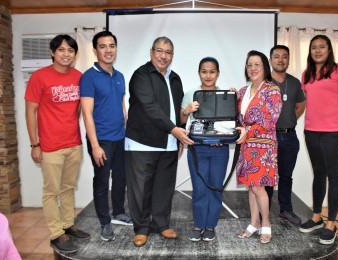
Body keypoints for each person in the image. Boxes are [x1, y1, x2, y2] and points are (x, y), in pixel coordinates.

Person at [125, 36, 194, 247]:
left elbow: (176, 111)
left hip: (169, 143)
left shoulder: (175, 78)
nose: (164, 56)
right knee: (140, 189)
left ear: (172, 56)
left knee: (164, 187)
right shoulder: (141, 75)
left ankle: (162, 224)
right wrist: (175, 130)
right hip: (142, 143)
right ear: (151, 52)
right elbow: (150, 107)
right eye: (160, 51)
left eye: (168, 52)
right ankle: (141, 228)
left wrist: (179, 136)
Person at [25, 34, 90, 253]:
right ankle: (56, 233)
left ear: (75, 54)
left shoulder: (79, 77)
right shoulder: (39, 77)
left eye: (70, 50)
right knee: (51, 191)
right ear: (52, 52)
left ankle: (68, 224)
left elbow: (80, 109)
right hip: (50, 146)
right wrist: (35, 144)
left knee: (69, 188)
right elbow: (30, 111)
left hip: (73, 143)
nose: (66, 54)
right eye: (61, 50)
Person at [298, 35, 338, 245]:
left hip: (334, 133)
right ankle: (316, 216)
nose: (318, 51)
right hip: (311, 131)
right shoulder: (307, 74)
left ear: (329, 50)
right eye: (314, 47)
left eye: (322, 47)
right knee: (319, 174)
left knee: (334, 175)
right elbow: (305, 102)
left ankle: (331, 223)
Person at [80, 31, 132, 242]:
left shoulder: (119, 76)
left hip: (120, 138)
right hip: (101, 140)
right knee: (101, 182)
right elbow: (87, 113)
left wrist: (128, 132)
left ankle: (118, 212)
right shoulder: (88, 77)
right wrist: (94, 145)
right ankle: (104, 222)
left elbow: (122, 106)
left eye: (111, 45)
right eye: (103, 46)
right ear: (95, 50)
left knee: (121, 178)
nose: (108, 50)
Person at [180, 57, 229, 242]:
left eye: (212, 71)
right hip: (197, 149)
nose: (208, 75)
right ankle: (199, 224)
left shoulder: (225, 94)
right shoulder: (191, 93)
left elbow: (230, 122)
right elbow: (182, 121)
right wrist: (187, 110)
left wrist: (231, 99)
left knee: (215, 188)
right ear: (199, 72)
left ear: (218, 73)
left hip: (219, 149)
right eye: (204, 71)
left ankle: (210, 226)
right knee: (200, 188)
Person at [236, 50, 282, 244]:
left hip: (264, 146)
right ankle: (254, 223)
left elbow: (270, 119)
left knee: (259, 187)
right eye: (249, 65)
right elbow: (237, 118)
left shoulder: (272, 90)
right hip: (247, 146)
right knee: (251, 187)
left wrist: (248, 130)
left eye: (257, 64)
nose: (253, 68)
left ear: (265, 67)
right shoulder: (242, 92)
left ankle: (266, 224)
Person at [265, 45, 306, 225]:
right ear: (270, 60)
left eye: (284, 57)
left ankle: (286, 210)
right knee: (266, 177)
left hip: (289, 137)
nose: (280, 60)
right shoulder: (264, 82)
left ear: (288, 60)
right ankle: (263, 210)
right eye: (276, 56)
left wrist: (289, 120)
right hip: (268, 137)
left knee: (286, 176)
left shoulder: (295, 82)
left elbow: (300, 105)